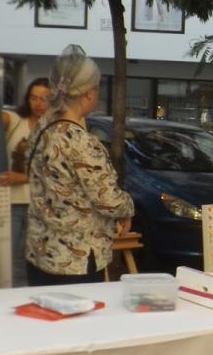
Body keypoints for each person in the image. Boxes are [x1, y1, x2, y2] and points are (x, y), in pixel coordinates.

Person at [26, 48, 133, 285]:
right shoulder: (80, 142)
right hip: (76, 260)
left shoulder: (42, 129)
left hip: (40, 251)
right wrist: (127, 208)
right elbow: (107, 199)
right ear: (87, 94)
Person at [0, 77, 51, 286]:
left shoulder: (55, 128)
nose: (37, 103)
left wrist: (25, 177)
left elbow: (57, 171)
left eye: (44, 99)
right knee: (6, 257)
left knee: (33, 259)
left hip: (40, 205)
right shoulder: (16, 120)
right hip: (12, 201)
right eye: (33, 97)